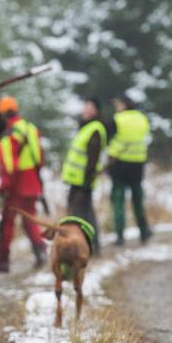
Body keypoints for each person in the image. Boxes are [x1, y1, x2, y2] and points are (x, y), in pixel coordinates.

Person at [0, 96, 47, 271]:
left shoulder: (9, 133)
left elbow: (10, 166)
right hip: (32, 182)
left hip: (16, 186)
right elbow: (40, 158)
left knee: (7, 224)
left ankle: (2, 262)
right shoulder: (30, 128)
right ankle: (41, 251)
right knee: (29, 220)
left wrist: (3, 187)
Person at [61, 98, 106, 254]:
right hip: (77, 179)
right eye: (85, 106)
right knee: (83, 213)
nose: (86, 109)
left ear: (96, 110)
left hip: (83, 181)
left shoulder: (94, 129)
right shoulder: (85, 127)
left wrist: (87, 181)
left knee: (81, 215)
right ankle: (89, 245)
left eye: (90, 106)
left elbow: (92, 158)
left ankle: (89, 246)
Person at [107, 96, 152, 246]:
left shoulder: (118, 119)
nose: (116, 107)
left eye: (118, 104)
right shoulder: (142, 119)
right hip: (138, 164)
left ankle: (120, 236)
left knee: (118, 201)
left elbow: (111, 139)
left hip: (119, 164)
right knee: (138, 200)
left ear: (124, 104)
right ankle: (144, 231)